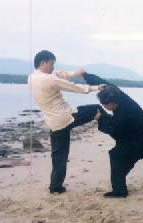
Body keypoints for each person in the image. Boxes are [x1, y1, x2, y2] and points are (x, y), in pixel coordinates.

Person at [28, 50, 105, 194]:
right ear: (43, 62)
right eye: (51, 64)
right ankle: (112, 127)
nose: (52, 67)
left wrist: (75, 73)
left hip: (53, 123)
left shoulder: (32, 78)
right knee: (96, 109)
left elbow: (58, 74)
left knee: (59, 156)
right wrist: (96, 87)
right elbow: (74, 88)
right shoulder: (49, 79)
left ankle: (55, 187)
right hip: (67, 117)